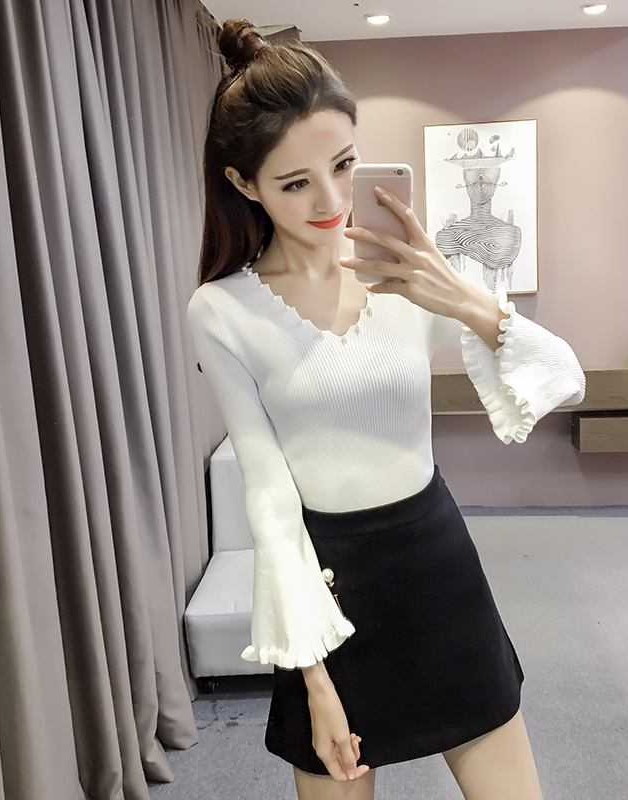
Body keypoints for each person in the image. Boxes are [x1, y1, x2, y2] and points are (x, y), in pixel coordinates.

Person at [187, 19, 586, 800]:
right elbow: (268, 497)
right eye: (295, 182)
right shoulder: (222, 311)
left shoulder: (408, 274)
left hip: (440, 570)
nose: (331, 200)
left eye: (342, 165)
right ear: (244, 183)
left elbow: (564, 379)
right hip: (329, 591)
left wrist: (464, 299)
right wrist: (314, 680)